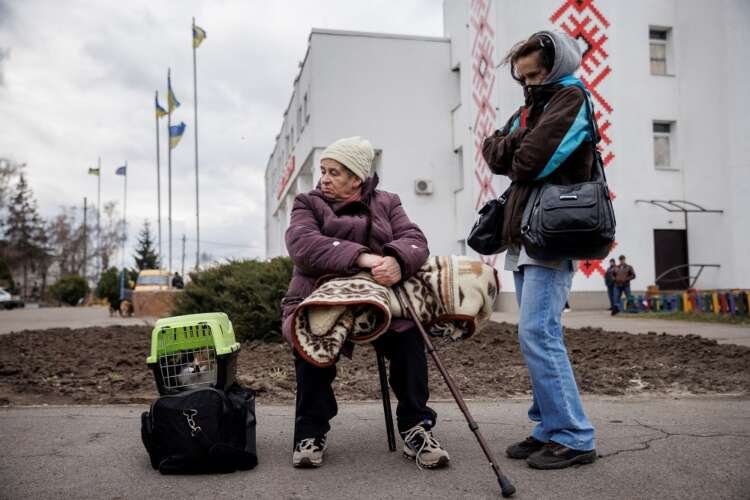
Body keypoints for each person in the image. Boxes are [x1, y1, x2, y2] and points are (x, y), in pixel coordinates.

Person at [281, 136, 449, 469]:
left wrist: (398, 262)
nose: (324, 179)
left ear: (357, 178)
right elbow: (303, 245)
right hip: (319, 294)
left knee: (409, 338)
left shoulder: (387, 202)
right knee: (313, 341)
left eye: (334, 173)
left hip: (380, 298)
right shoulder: (307, 203)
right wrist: (365, 259)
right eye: (323, 171)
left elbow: (414, 239)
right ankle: (310, 432)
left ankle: (416, 428)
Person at [481, 30, 597, 469]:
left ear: (557, 66)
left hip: (553, 231)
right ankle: (549, 428)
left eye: (536, 73)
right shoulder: (535, 105)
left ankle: (575, 435)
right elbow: (493, 153)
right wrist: (516, 144)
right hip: (526, 230)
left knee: (539, 334)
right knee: (535, 337)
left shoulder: (570, 100)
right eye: (523, 77)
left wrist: (514, 146)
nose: (529, 83)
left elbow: (529, 162)